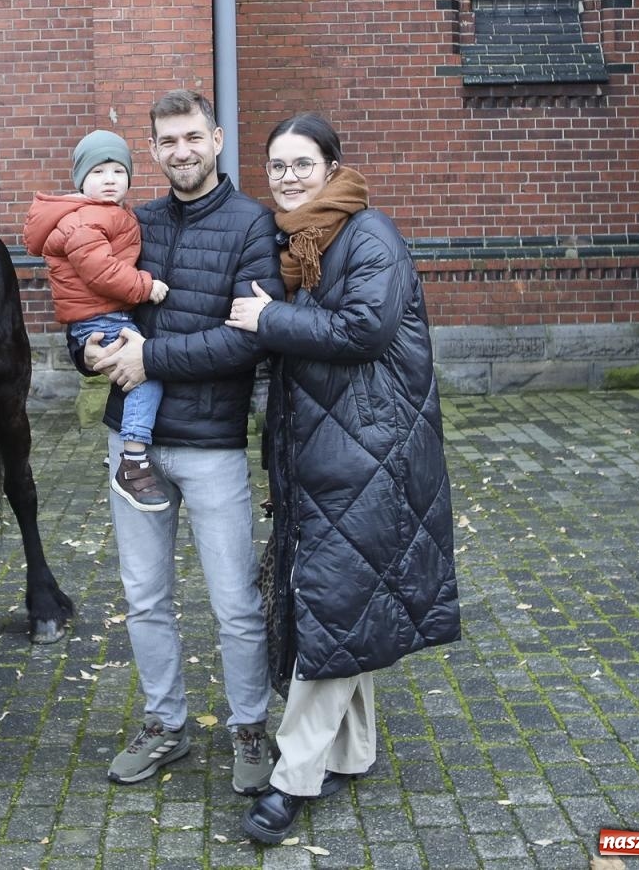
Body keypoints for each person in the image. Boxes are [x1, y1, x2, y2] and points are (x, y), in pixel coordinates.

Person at [225, 112, 462, 844]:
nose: (287, 177)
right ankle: (353, 750)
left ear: (332, 168)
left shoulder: (369, 237)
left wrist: (269, 322)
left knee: (332, 599)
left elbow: (365, 330)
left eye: (302, 164)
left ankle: (292, 775)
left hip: (372, 457)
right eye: (277, 166)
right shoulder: (303, 244)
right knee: (344, 600)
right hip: (327, 456)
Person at [79, 89, 281, 795]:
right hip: (130, 440)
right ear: (154, 150)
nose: (182, 152)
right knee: (144, 596)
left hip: (211, 443)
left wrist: (153, 359)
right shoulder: (135, 220)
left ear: (217, 139)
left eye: (192, 137)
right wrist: (92, 353)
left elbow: (245, 337)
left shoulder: (255, 224)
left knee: (234, 601)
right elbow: (95, 302)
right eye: (167, 142)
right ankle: (166, 724)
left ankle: (250, 726)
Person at [24, 130, 171, 511]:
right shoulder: (86, 218)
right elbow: (99, 271)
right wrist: (145, 286)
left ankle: (124, 449)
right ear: (81, 180)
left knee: (129, 378)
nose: (110, 179)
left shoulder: (104, 213)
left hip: (99, 316)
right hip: (99, 318)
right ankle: (133, 460)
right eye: (99, 171)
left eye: (119, 171)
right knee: (146, 375)